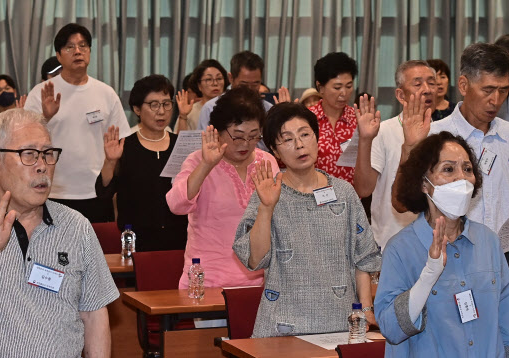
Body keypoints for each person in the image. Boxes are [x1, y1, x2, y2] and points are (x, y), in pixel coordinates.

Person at [0, 109, 118, 357]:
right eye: (28, 155)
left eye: (48, 154)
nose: (42, 166)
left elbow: (94, 315)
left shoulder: (76, 226)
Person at [393, 43, 509, 309]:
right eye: (488, 90)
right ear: (464, 85)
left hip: (504, 259)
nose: (495, 100)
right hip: (446, 258)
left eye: (503, 91)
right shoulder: (434, 135)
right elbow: (400, 203)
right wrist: (410, 147)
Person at [233, 102, 381, 337]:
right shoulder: (268, 191)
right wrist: (266, 207)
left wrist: (366, 309)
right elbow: (254, 259)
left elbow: (362, 258)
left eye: (305, 134)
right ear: (275, 150)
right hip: (281, 325)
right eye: (288, 139)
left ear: (317, 138)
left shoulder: (343, 191)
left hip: (340, 323)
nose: (299, 145)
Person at [376, 131, 509, 357]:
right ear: (424, 184)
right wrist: (427, 277)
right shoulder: (400, 249)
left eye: (467, 169)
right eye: (448, 169)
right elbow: (391, 329)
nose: (461, 178)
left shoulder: (489, 241)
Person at [166, 87, 278, 289]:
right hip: (208, 280)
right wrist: (206, 165)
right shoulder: (198, 161)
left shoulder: (266, 161)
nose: (246, 144)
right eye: (238, 136)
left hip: (259, 280)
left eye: (254, 136)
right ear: (217, 131)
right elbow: (176, 205)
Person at [25, 23, 132, 223]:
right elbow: (23, 142)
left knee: (97, 252)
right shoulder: (42, 92)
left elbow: (119, 143)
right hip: (53, 191)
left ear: (90, 51)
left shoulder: (106, 93)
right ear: (58, 55)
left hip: (96, 192)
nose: (77, 51)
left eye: (83, 46)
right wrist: (45, 118)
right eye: (69, 47)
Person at [95, 75, 188, 251]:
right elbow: (103, 193)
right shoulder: (125, 146)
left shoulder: (179, 145)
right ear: (137, 109)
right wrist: (110, 161)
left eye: (166, 104)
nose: (161, 111)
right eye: (153, 105)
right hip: (137, 240)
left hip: (178, 237)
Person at [354, 60, 436, 249]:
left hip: (436, 243)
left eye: (431, 83)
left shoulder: (445, 131)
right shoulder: (383, 131)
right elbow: (363, 190)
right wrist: (365, 140)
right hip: (391, 242)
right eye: (417, 84)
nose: (427, 89)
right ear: (400, 94)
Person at [308, 52, 359, 183]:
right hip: (314, 196)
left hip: (352, 197)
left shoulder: (359, 119)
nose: (344, 93)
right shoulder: (306, 119)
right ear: (320, 87)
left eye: (349, 86)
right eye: (337, 87)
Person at [196, 51, 274, 130]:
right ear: (231, 78)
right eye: (244, 84)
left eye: (255, 84)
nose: (250, 89)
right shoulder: (211, 108)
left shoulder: (268, 109)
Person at [176, 59, 228, 133]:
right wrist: (183, 116)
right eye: (209, 79)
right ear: (199, 85)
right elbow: (179, 141)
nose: (215, 83)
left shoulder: (231, 108)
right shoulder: (190, 111)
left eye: (219, 78)